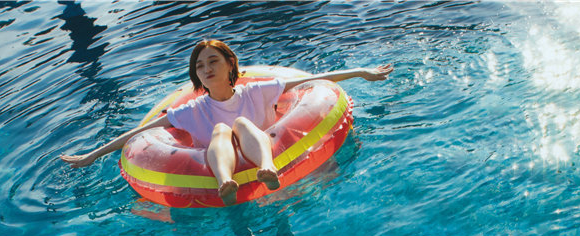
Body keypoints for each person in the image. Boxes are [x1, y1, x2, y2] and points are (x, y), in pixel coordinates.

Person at [60, 39, 392, 205]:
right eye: (200, 66)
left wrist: (362, 73)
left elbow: (316, 81)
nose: (207, 69)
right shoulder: (191, 111)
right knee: (222, 129)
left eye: (213, 61)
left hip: (267, 155)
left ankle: (267, 168)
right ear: (197, 76)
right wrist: (92, 155)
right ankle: (225, 184)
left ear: (229, 63)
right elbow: (140, 134)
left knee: (244, 125)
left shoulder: (256, 91)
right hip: (219, 170)